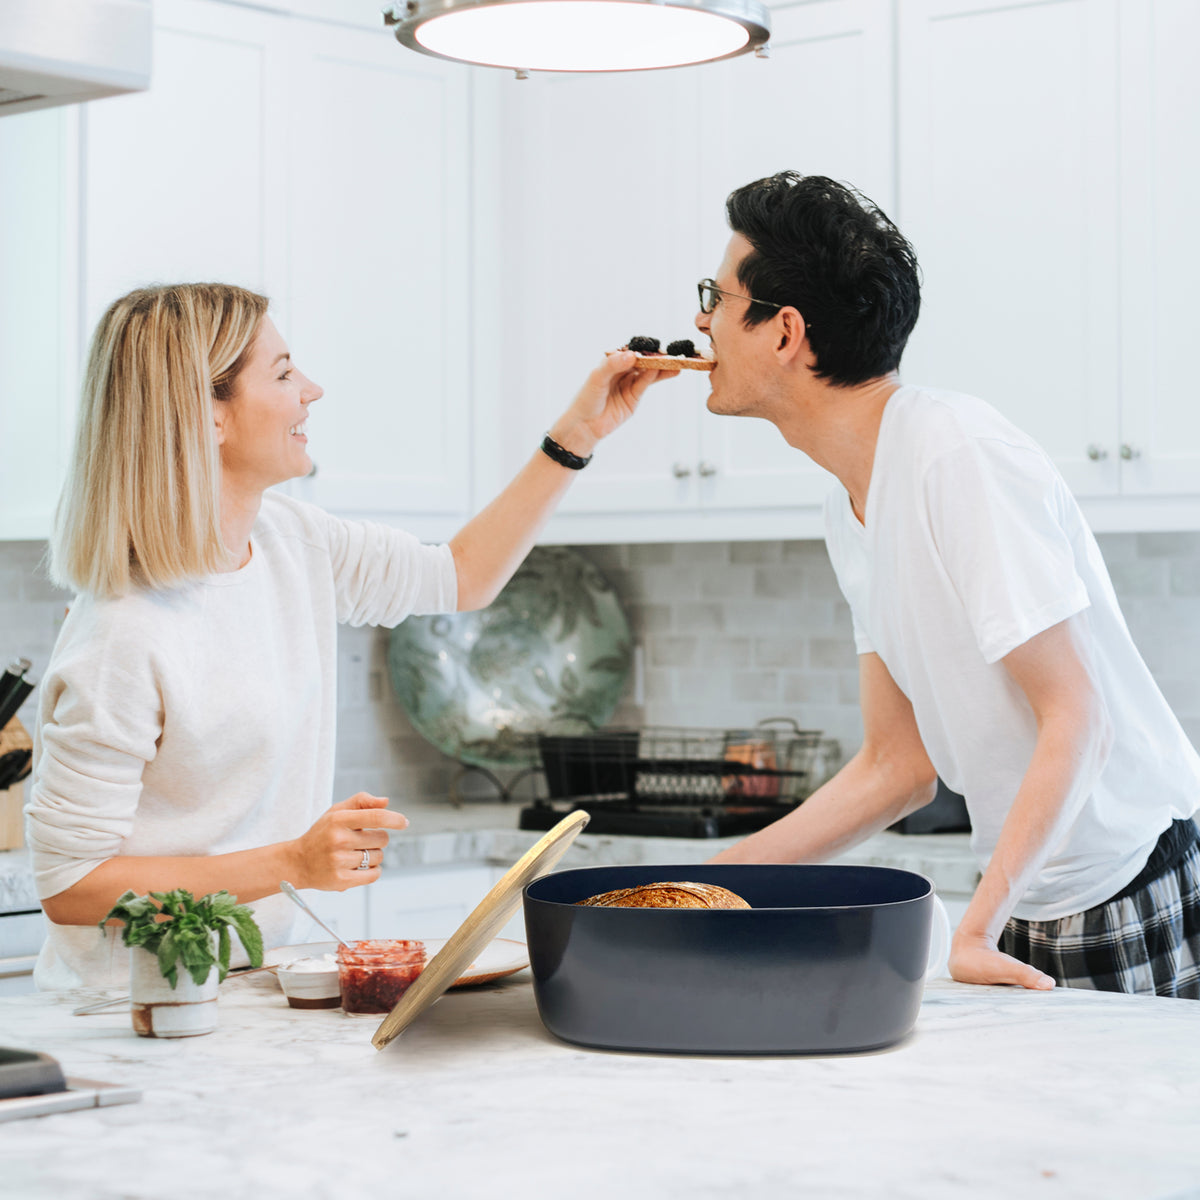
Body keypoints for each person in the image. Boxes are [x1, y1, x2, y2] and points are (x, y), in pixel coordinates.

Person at [26, 283, 675, 989]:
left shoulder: (293, 542)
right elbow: (72, 887)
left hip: (250, 988)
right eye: (281, 373)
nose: (312, 390)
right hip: (131, 1014)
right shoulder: (125, 629)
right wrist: (291, 864)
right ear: (208, 413)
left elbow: (460, 578)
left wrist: (579, 432)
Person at [702, 172, 1200, 998]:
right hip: (1033, 897)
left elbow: (1080, 717)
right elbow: (897, 766)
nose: (698, 322)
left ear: (784, 331)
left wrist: (977, 924)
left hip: (1126, 885)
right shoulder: (850, 500)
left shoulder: (955, 454)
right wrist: (695, 883)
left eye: (713, 297)